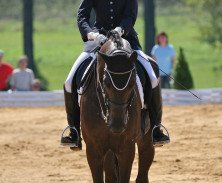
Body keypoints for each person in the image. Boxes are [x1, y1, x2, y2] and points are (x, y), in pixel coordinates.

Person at [61, 0, 170, 148]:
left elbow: (131, 15)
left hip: (126, 40)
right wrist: (91, 34)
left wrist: (120, 29)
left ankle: (156, 127)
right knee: (69, 81)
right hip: (98, 41)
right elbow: (82, 16)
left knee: (152, 77)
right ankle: (74, 130)